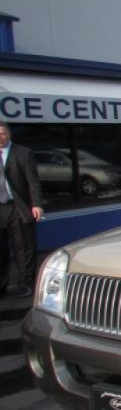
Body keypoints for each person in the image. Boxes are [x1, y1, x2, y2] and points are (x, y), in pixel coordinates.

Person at [0, 121, 44, 298]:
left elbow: (33, 182)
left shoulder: (23, 153)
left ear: (9, 134)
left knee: (23, 248)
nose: (0, 137)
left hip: (17, 207)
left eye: (2, 133)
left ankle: (26, 284)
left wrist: (36, 204)